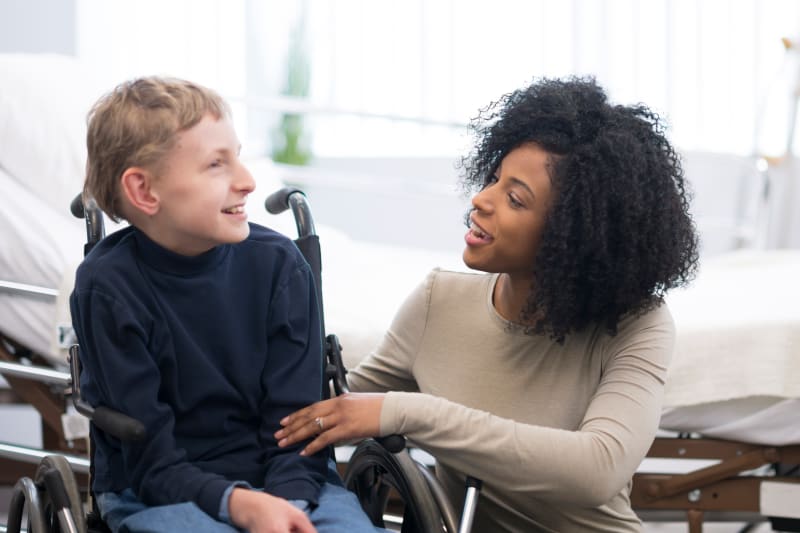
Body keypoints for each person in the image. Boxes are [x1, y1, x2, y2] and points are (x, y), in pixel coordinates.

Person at [274, 76, 700, 532]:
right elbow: (341, 402)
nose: (480, 200)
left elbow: (596, 469)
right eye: (494, 178)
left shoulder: (639, 324)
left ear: (572, 234)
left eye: (515, 198)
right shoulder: (438, 301)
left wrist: (406, 411)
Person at [70, 76, 382, 533]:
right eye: (217, 164)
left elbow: (295, 426)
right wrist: (239, 506)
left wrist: (283, 504)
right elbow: (152, 463)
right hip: (155, 491)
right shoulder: (109, 288)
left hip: (290, 479)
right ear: (143, 191)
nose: (248, 181)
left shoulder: (279, 266)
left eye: (239, 156)